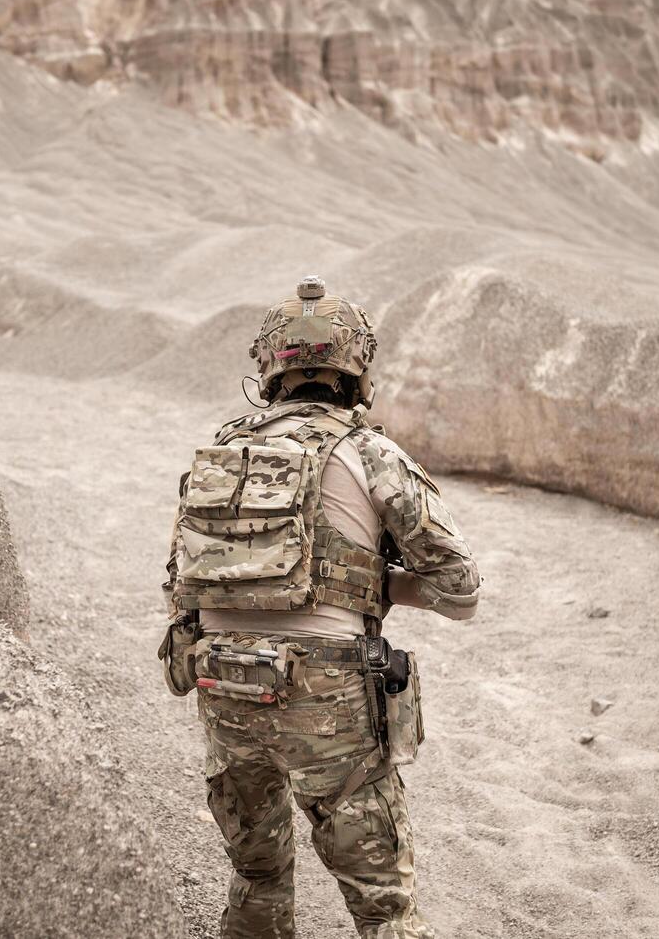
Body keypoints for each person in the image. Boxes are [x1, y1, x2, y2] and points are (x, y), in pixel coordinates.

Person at [159, 275, 481, 939]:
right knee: (383, 904)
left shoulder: (223, 450)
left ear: (267, 364)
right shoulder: (370, 453)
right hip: (328, 697)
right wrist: (370, 584)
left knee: (257, 879)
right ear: (355, 365)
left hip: (222, 683)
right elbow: (459, 590)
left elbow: (180, 582)